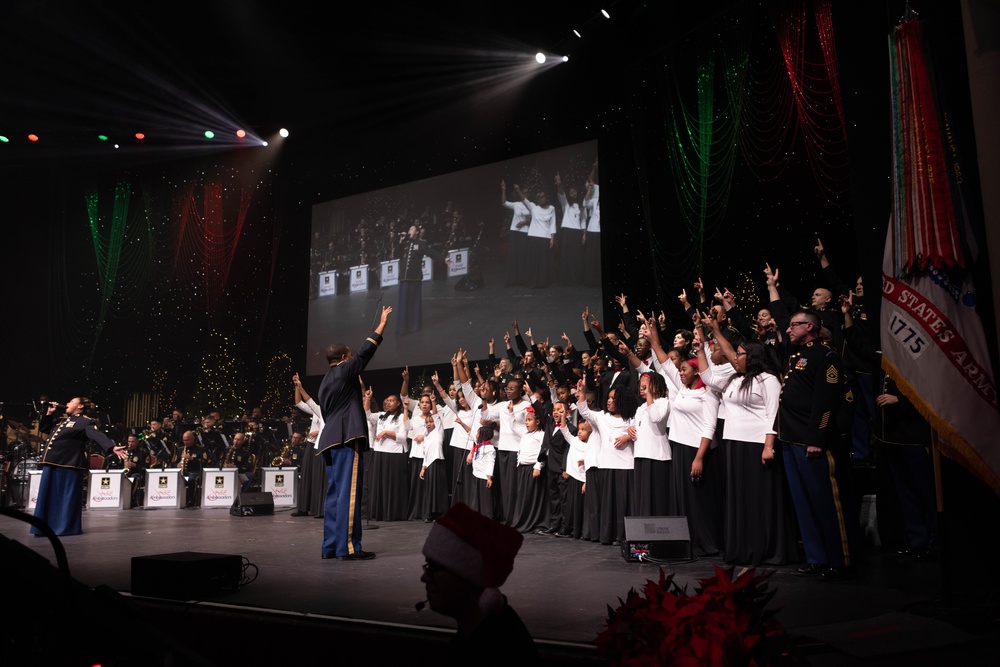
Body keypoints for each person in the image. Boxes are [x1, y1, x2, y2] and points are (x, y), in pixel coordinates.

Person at [778, 309, 854, 579]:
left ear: (809, 327)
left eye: (793, 325)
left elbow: (826, 402)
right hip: (791, 438)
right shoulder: (798, 354)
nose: (788, 329)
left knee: (824, 502)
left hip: (812, 440)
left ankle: (838, 560)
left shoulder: (825, 355)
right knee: (803, 503)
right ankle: (817, 558)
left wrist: (816, 439)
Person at [420, 502, 540, 666]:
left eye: (434, 568)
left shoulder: (497, 652)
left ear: (466, 575)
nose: (425, 578)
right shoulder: (479, 634)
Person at [317, 305, 392, 560]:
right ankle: (348, 547)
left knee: (334, 494)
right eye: (349, 355)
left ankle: (330, 547)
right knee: (349, 494)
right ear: (344, 356)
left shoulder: (325, 381)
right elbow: (365, 352)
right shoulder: (345, 369)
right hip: (346, 438)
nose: (352, 358)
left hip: (329, 440)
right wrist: (381, 324)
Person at [32, 397, 127, 536]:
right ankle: (44, 528)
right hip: (52, 462)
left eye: (71, 401)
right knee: (48, 496)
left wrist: (111, 447)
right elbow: (45, 428)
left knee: (65, 498)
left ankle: (65, 528)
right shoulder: (62, 421)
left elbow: (97, 435)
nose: (67, 403)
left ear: (80, 406)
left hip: (68, 464)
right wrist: (49, 413)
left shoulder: (85, 422)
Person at [397, 225, 449, 334]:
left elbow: (431, 252)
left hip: (414, 278)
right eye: (409, 229)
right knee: (403, 303)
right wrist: (400, 242)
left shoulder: (421, 244)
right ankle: (402, 328)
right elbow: (396, 254)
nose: (409, 231)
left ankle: (413, 327)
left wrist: (443, 258)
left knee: (413, 303)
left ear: (417, 232)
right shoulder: (405, 244)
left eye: (412, 229)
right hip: (404, 278)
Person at [292, 372, 327, 518]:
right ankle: (303, 507)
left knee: (319, 476)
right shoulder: (317, 409)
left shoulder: (327, 411)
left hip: (322, 444)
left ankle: (318, 508)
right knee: (307, 475)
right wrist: (297, 387)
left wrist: (318, 432)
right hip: (312, 444)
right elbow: (299, 403)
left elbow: (328, 426)